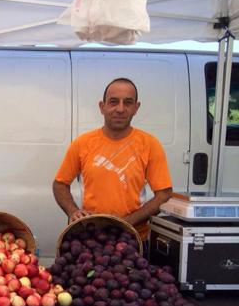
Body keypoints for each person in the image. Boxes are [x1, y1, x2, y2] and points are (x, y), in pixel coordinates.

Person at [52, 77, 173, 239]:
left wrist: (126, 223)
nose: (120, 109)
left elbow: (164, 194)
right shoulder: (82, 143)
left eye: (128, 102)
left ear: (136, 108)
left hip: (133, 237)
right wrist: (73, 211)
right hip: (91, 235)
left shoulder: (150, 144)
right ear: (102, 107)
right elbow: (60, 184)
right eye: (113, 102)